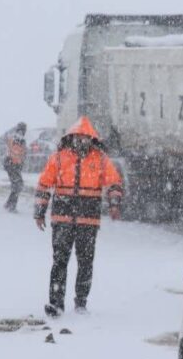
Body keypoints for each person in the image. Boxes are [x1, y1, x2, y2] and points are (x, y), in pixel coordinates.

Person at [34, 116, 123, 317]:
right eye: (78, 137)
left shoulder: (100, 159)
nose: (81, 141)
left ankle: (81, 302)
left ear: (91, 139)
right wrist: (39, 212)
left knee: (85, 263)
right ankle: (56, 304)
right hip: (62, 220)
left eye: (85, 138)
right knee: (59, 262)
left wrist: (114, 204)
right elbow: (44, 185)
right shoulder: (58, 158)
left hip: (88, 221)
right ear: (71, 137)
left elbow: (114, 183)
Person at [3, 122, 27, 212]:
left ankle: (9, 203)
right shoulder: (17, 139)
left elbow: (21, 155)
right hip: (12, 164)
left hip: (12, 164)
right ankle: (12, 206)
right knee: (18, 185)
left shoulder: (16, 138)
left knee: (16, 185)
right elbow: (15, 153)